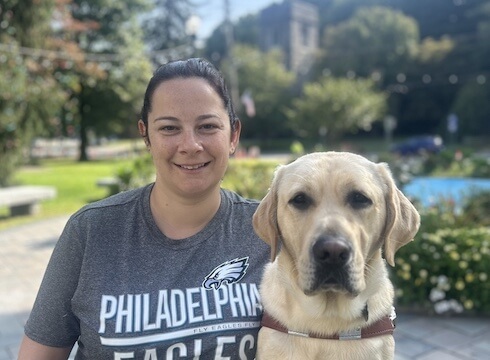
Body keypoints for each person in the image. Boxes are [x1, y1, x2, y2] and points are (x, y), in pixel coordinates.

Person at [18, 58, 270, 359]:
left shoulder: (267, 229)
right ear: (146, 135)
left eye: (207, 126)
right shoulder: (90, 232)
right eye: (169, 128)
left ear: (233, 135)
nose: (190, 145)